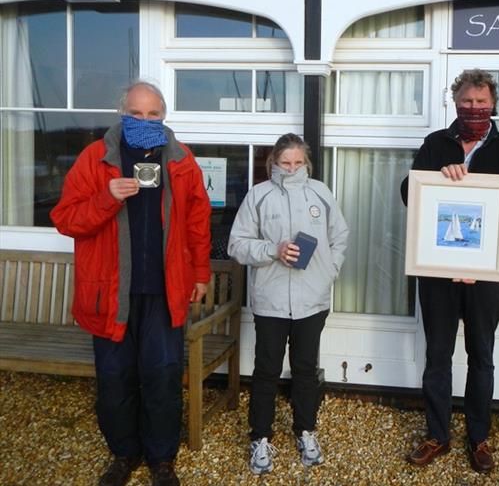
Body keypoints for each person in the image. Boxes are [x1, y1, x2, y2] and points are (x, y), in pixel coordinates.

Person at [51, 81, 211, 486]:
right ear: (122, 113)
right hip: (110, 293)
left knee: (162, 375)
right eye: (136, 113)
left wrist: (201, 275)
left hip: (165, 290)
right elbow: (66, 220)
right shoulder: (96, 159)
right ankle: (124, 453)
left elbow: (197, 223)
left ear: (163, 115)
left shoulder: (182, 160)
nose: (144, 120)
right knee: (115, 378)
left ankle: (161, 459)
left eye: (152, 113)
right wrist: (106, 197)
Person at [400, 69, 499, 474]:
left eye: (481, 102)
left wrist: (483, 264)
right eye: (467, 102)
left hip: (484, 275)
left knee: (482, 356)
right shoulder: (435, 144)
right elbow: (410, 194)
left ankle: (479, 437)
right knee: (438, 354)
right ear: (455, 103)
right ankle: (437, 434)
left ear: (493, 105)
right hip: (437, 271)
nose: (474, 109)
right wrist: (437, 176)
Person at [227, 133, 348, 476]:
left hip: (313, 300)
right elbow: (237, 245)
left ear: (305, 162)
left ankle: (305, 431)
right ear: (274, 163)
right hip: (271, 301)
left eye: (298, 162)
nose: (292, 168)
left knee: (306, 368)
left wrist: (329, 270)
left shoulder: (320, 193)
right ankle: (260, 437)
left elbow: (340, 235)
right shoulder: (259, 195)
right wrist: (272, 250)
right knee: (266, 370)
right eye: (285, 163)